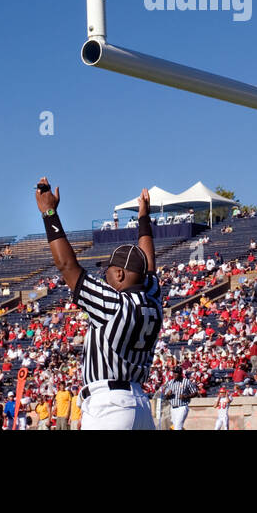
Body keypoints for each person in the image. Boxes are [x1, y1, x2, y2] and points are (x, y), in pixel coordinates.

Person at [36, 178, 162, 430]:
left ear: (120, 275)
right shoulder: (153, 298)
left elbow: (67, 266)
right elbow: (148, 265)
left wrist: (49, 214)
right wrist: (144, 219)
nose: (105, 275)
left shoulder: (114, 305)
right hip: (140, 404)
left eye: (109, 270)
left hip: (110, 406)